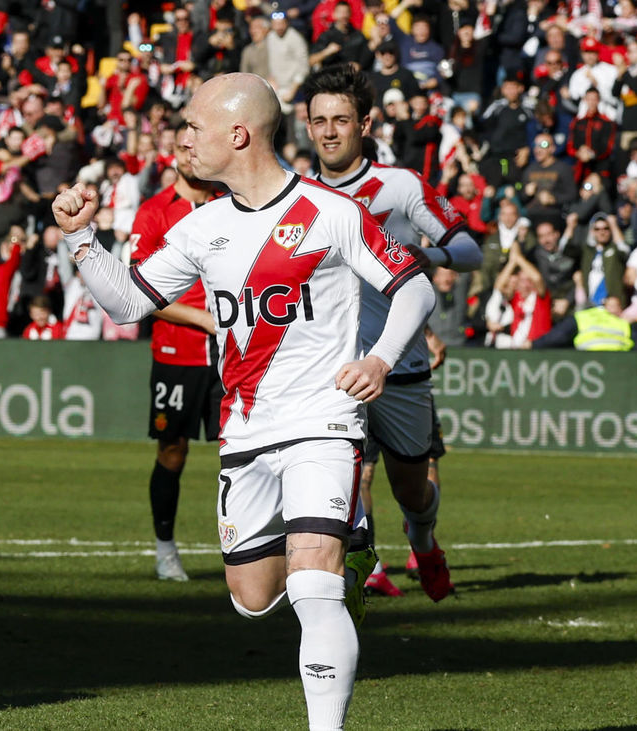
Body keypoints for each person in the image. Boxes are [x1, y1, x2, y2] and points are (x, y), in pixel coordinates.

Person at [54, 73, 435, 731]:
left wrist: (379, 357)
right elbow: (127, 302)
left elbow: (414, 287)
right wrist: (81, 238)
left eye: (193, 127)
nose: (184, 140)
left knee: (312, 584)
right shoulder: (202, 226)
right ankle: (346, 550)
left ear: (238, 134)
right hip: (246, 429)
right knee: (252, 596)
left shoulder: (330, 211)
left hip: (323, 420)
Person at [306, 65, 481, 605]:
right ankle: (355, 576)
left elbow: (470, 249)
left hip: (399, 364)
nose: (329, 131)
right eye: (319, 121)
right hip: (330, 367)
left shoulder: (400, 186)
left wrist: (430, 255)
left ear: (364, 124)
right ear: (307, 127)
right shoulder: (295, 193)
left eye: (341, 120)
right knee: (342, 480)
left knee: (412, 490)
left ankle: (423, 541)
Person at [129, 122, 224, 582]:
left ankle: (249, 551)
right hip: (177, 352)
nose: (190, 154)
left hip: (232, 354)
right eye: (183, 148)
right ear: (172, 154)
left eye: (196, 145)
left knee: (246, 452)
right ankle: (165, 549)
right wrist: (204, 320)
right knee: (172, 451)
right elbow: (139, 288)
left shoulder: (231, 204)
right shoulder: (153, 212)